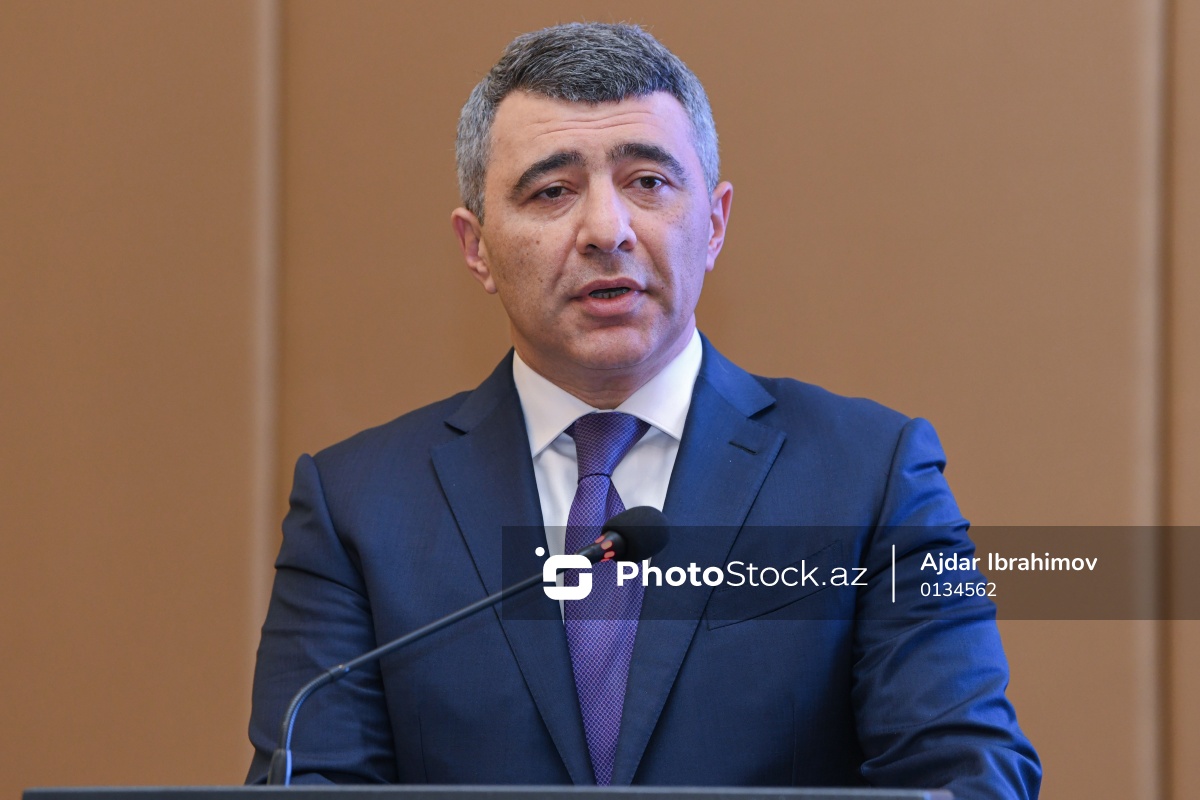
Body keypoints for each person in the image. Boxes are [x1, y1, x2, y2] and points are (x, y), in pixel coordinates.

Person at [246, 22, 1041, 798]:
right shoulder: (359, 507)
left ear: (715, 223)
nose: (608, 230)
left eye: (648, 183)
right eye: (553, 191)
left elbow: (969, 775)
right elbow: (309, 781)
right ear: (476, 246)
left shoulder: (870, 477)